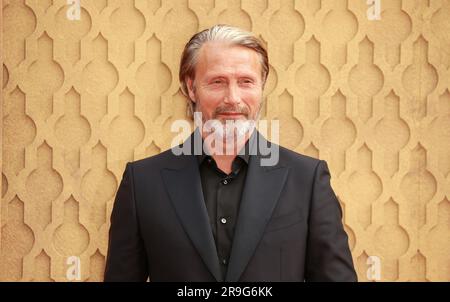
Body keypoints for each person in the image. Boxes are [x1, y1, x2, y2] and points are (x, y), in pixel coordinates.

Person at [104, 25, 357, 282]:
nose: (233, 98)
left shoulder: (308, 179)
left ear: (262, 87)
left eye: (246, 82)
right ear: (191, 88)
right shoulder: (142, 182)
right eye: (217, 82)